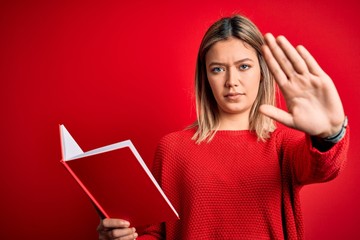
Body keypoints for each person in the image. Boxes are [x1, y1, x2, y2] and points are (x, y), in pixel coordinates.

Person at [97, 14, 349, 240]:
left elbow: (323, 168)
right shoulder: (173, 148)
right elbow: (158, 233)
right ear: (206, 77)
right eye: (218, 69)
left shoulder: (284, 144)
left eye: (244, 66)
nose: (231, 81)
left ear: (262, 72)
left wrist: (329, 135)